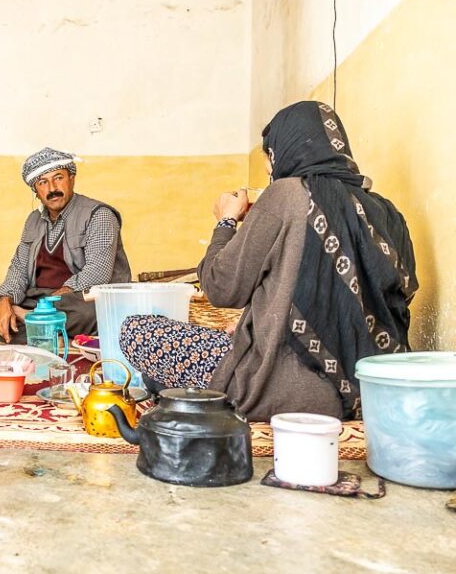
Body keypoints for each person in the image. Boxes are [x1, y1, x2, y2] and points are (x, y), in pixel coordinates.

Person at [120, 101, 417, 421]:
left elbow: (221, 287)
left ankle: (197, 393)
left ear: (287, 152)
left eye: (270, 162)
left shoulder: (287, 195)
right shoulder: (387, 212)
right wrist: (259, 320)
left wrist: (226, 221)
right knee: (232, 335)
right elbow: (387, 296)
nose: (271, 172)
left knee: (136, 331)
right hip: (372, 392)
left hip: (280, 390)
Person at [0, 147, 132, 344]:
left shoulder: (98, 215)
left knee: (90, 314)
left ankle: (34, 324)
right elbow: (19, 267)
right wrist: (6, 300)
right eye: (43, 182)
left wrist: (45, 306)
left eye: (58, 178)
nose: (52, 188)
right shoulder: (33, 220)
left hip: (80, 298)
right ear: (36, 191)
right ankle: (48, 329)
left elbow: (97, 273)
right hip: (40, 299)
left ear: (71, 179)